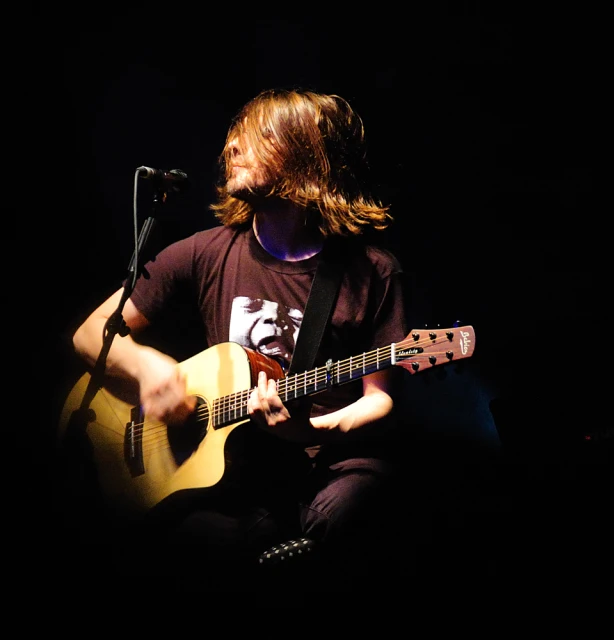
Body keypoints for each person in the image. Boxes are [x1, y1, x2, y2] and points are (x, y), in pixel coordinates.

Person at [62, 87, 409, 592]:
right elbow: (91, 333)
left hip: (328, 453)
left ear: (307, 155)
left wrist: (314, 429)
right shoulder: (204, 252)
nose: (232, 148)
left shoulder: (373, 271)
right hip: (238, 458)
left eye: (256, 137)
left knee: (348, 512)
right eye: (232, 138)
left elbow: (381, 400)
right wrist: (147, 369)